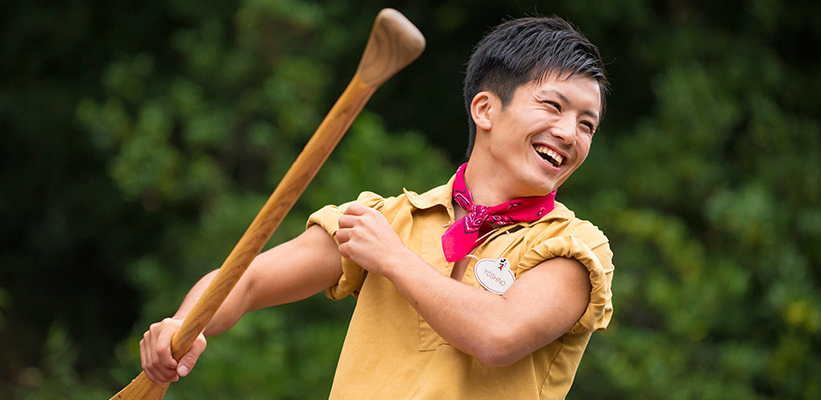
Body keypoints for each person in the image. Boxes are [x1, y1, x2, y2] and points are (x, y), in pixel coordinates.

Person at [140, 15, 614, 399]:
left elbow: (499, 335)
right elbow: (248, 280)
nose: (570, 134)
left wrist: (393, 259)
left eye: (587, 124)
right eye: (553, 106)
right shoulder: (387, 219)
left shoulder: (575, 247)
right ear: (486, 109)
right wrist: (184, 325)